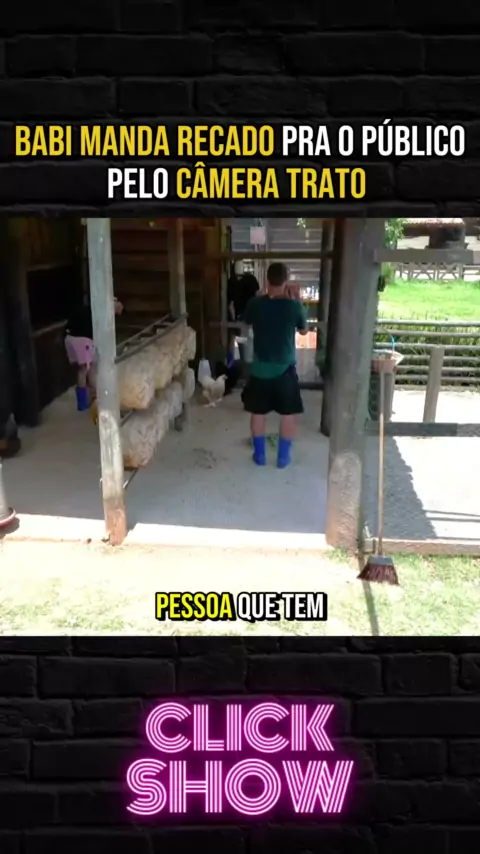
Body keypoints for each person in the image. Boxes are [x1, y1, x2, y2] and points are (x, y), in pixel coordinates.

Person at [241, 262, 308, 469]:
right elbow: (304, 331)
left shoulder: (255, 304)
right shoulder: (294, 306)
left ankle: (260, 456)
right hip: (285, 369)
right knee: (288, 414)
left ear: (266, 279)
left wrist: (262, 295)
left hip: (260, 368)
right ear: (286, 280)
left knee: (258, 413)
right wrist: (297, 299)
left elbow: (246, 322)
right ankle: (283, 458)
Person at [65, 296, 123, 414]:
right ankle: (83, 402)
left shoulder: (94, 308)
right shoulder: (103, 313)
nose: (116, 314)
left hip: (70, 337)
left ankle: (96, 397)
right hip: (81, 339)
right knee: (84, 369)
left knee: (89, 367)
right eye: (117, 311)